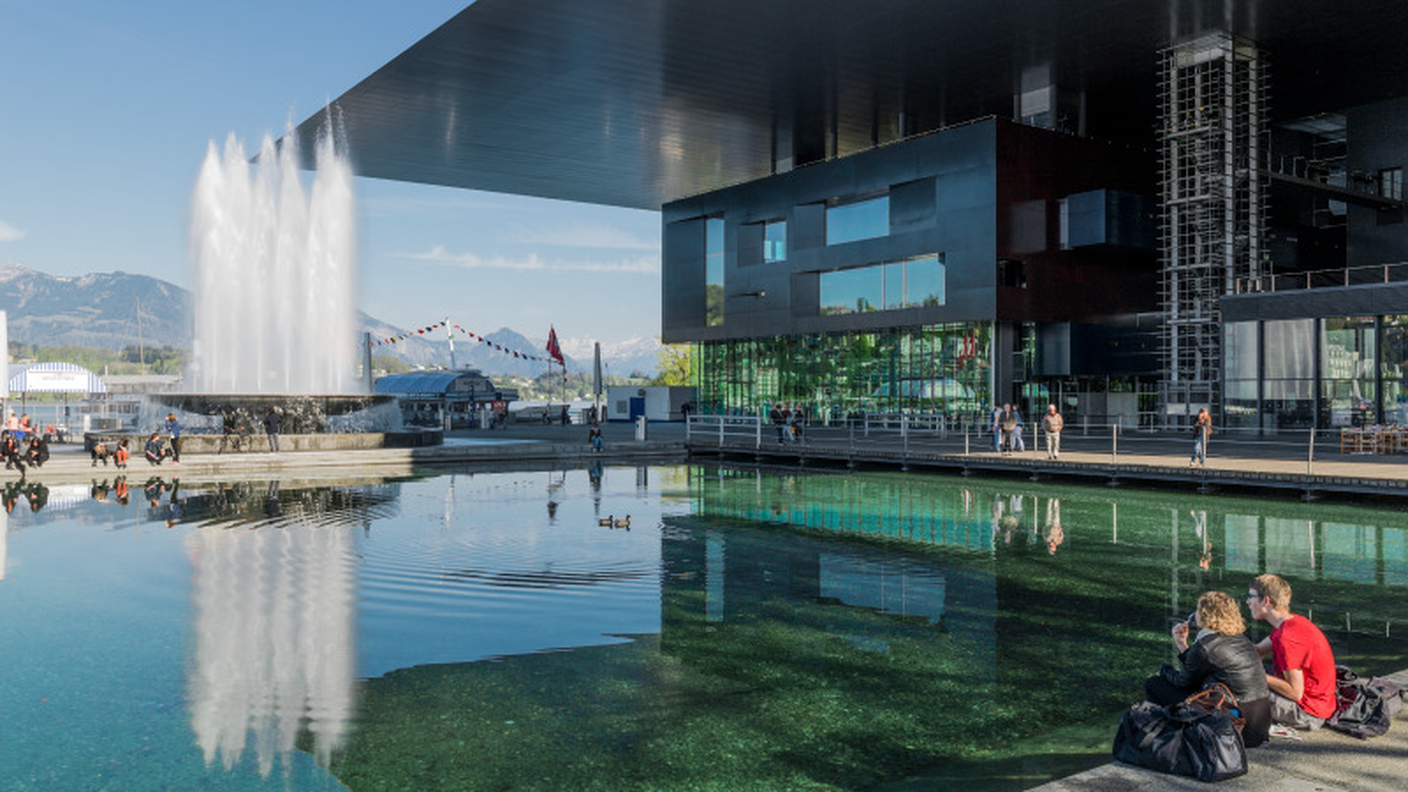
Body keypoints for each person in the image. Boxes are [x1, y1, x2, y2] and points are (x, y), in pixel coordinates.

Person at [1142, 591, 1272, 748]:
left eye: (1197, 610)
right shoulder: (1241, 639)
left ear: (1204, 615)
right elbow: (1199, 669)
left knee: (1154, 683)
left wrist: (1164, 669)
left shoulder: (1205, 646)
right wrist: (1182, 645)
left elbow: (1183, 683)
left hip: (1235, 726)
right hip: (1258, 725)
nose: (1195, 614)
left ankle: (1161, 740)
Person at [1247, 574, 1337, 731]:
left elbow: (1295, 692)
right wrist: (1225, 636)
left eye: (1251, 597)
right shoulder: (1291, 623)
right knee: (1241, 675)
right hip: (1321, 705)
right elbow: (1259, 652)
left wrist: (1256, 675)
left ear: (1266, 601)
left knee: (1237, 687)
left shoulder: (1287, 638)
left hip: (1307, 713)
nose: (1248, 602)